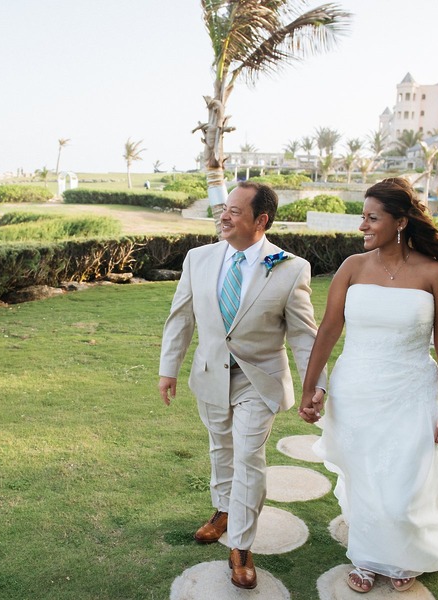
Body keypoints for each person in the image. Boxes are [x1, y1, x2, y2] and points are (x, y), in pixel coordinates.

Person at [299, 177, 438, 593]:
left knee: (403, 487)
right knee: (366, 480)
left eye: (372, 218)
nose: (362, 226)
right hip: (356, 391)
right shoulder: (352, 268)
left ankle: (405, 552)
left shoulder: (436, 275)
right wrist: (312, 386)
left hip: (412, 392)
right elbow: (328, 330)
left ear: (400, 222)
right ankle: (367, 556)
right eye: (362, 217)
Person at [158, 181, 326, 589]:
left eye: (235, 211)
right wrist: (169, 368)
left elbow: (305, 335)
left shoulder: (290, 268)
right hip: (211, 374)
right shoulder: (198, 259)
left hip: (260, 380)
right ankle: (223, 511)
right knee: (221, 447)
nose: (224, 216)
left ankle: (242, 545)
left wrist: (315, 384)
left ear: (261, 220)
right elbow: (181, 317)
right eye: (224, 209)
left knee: (248, 456)